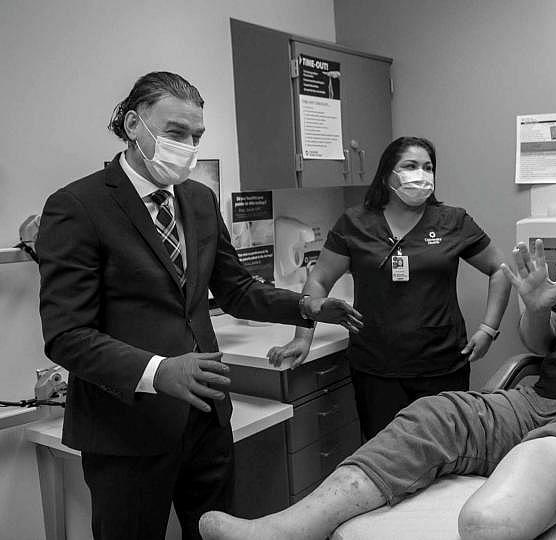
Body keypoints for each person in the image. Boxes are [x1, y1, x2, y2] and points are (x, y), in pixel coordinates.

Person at [199, 144, 556, 540]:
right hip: (543, 400)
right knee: (431, 416)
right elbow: (542, 343)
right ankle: (286, 531)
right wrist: (533, 310)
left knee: (500, 505)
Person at [37, 71, 362, 540]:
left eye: (196, 135)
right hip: (127, 430)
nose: (188, 146)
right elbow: (67, 334)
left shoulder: (197, 199)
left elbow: (236, 289)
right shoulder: (78, 206)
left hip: (206, 419)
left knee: (214, 532)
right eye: (175, 133)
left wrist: (305, 308)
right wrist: (156, 371)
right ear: (133, 125)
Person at [266, 136, 511, 439]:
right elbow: (319, 279)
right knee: (384, 457)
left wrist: (489, 328)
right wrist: (303, 335)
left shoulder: (452, 221)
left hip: (442, 365)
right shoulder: (355, 223)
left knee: (446, 454)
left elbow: (499, 270)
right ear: (387, 175)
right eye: (410, 166)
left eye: (428, 167)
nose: (421, 174)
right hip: (376, 368)